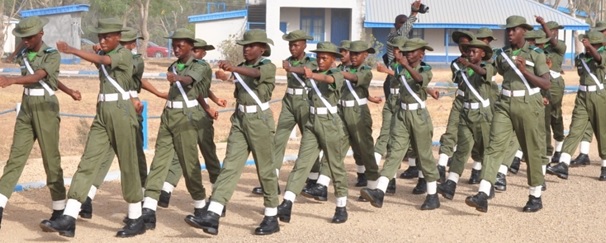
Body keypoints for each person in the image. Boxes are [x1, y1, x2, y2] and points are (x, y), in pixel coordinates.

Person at [40, 18, 146, 237]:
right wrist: (93, 50)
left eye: (107, 36)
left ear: (118, 37)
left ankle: (136, 218)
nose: (102, 39)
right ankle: (69, 217)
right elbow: (99, 59)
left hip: (121, 110)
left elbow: (103, 59)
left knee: (128, 164)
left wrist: (72, 50)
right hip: (103, 111)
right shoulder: (108, 53)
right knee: (87, 162)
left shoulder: (125, 55)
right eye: (100, 36)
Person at [185, 29, 280, 236]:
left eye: (251, 46)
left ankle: (272, 215)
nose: (247, 49)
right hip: (240, 119)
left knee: (265, 169)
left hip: (260, 121)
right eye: (245, 45)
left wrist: (233, 69)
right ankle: (213, 215)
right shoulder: (243, 68)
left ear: (262, 49)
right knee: (229, 167)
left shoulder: (268, 66)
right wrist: (227, 76)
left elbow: (255, 75)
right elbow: (241, 78)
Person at [78, 27, 167, 219]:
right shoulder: (112, 53)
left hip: (130, 109)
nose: (123, 48)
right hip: (112, 109)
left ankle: (144, 198)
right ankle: (87, 198)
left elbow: (134, 81)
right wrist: (98, 49)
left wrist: (154, 94)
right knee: (103, 157)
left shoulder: (135, 59)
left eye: (125, 44)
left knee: (134, 158)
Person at [0, 16, 81, 228]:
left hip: (45, 107)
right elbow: (48, 78)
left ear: (41, 34)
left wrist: (12, 80)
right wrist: (69, 90)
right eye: (22, 37)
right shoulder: (24, 52)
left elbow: (40, 76)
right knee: (15, 158)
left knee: (50, 159)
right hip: (27, 105)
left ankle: (58, 209)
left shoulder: (51, 55)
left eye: (29, 37)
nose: (25, 40)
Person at [465, 16, 551, 213]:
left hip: (528, 103)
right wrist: (473, 63)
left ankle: (535, 195)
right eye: (508, 30)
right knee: (494, 146)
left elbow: (546, 83)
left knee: (531, 151)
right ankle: (483, 194)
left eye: (514, 30)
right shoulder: (501, 54)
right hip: (504, 103)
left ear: (524, 31)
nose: (510, 33)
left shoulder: (536, 54)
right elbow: (488, 72)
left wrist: (524, 71)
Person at [136, 28, 211, 231]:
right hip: (169, 115)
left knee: (189, 164)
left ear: (191, 46)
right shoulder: (173, 65)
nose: (176, 48)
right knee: (160, 161)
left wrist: (178, 79)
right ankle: (149, 210)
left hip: (187, 117)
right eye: (174, 45)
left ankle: (200, 207)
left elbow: (190, 80)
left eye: (180, 45)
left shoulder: (200, 65)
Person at [360, 38, 440, 210]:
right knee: (395, 151)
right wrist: (400, 67)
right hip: (402, 113)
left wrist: (407, 66)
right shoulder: (399, 68)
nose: (408, 55)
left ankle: (433, 195)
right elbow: (403, 81)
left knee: (424, 154)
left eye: (412, 52)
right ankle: (379, 192)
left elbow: (419, 81)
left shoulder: (426, 69)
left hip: (418, 115)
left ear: (422, 54)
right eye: (406, 52)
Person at [276, 41, 350, 224]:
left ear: (333, 60)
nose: (320, 60)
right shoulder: (313, 72)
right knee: (302, 163)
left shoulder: (336, 73)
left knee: (335, 165)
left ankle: (341, 206)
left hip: (330, 124)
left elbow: (329, 80)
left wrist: (313, 75)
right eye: (318, 57)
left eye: (324, 58)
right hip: (312, 122)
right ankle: (287, 203)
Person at [302, 40, 380, 201]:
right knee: (335, 149)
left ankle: (373, 187)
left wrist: (335, 73)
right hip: (340, 111)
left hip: (358, 113)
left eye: (357, 54)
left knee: (365, 149)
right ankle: (322, 185)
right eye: (351, 53)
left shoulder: (366, 71)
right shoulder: (339, 69)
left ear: (365, 55)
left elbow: (353, 78)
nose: (353, 57)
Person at [157, 38, 226, 208]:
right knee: (182, 155)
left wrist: (211, 105)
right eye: (194, 50)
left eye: (199, 51)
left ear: (203, 53)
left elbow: (200, 90)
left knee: (208, 154)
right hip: (188, 111)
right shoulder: (186, 66)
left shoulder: (202, 67)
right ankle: (166, 189)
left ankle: (218, 196)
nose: (196, 53)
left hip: (200, 115)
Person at [250, 30, 317, 195]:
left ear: (304, 45)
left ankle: (314, 179)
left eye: (296, 45)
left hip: (305, 102)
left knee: (309, 141)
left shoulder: (311, 61)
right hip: (289, 101)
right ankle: (272, 182)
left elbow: (307, 71)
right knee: (278, 140)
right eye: (290, 45)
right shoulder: (288, 61)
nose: (292, 48)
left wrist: (292, 68)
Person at [439, 39, 495, 200]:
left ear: (483, 54)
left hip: (482, 115)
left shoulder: (487, 67)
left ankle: (487, 185)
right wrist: (465, 65)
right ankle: (451, 184)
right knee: (462, 150)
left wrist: (469, 65)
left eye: (474, 52)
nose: (470, 55)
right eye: (469, 51)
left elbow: (484, 74)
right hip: (466, 113)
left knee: (486, 151)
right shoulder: (461, 67)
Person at [547, 31, 606, 181]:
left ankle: (605, 165)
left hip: (599, 95)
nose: (585, 45)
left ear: (597, 44)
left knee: (602, 131)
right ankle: (563, 164)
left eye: (588, 43)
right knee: (575, 129)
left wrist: (590, 48)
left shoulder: (603, 53)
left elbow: (599, 59)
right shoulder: (581, 58)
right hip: (582, 95)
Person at [437, 30, 476, 184]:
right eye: (460, 45)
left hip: (478, 103)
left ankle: (477, 170)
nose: (463, 48)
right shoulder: (456, 63)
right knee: (451, 132)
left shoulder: (484, 62)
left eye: (467, 45)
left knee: (479, 139)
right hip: (461, 100)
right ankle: (441, 166)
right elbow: (463, 78)